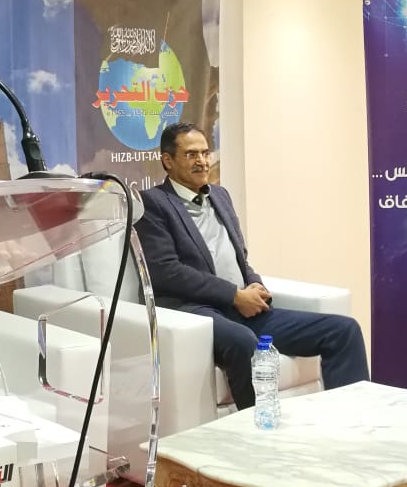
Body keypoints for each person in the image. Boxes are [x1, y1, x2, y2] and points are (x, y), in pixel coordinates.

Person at [136, 122, 368, 409]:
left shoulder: (220, 195)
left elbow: (239, 257)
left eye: (205, 153)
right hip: (198, 311)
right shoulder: (153, 203)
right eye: (191, 154)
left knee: (343, 331)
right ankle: (259, 429)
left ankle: (352, 419)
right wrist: (233, 295)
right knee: (245, 342)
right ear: (168, 160)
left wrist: (255, 284)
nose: (202, 161)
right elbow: (166, 272)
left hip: (242, 306)